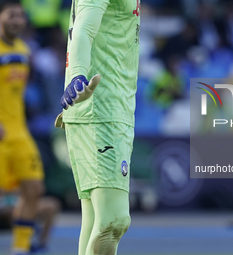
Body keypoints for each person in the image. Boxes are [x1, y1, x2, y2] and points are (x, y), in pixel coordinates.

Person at [54, 0, 140, 254]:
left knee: (94, 220)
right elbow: (84, 29)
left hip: (115, 108)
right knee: (113, 221)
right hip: (100, 109)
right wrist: (77, 75)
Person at [0, 0, 45, 254]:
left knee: (34, 189)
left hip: (19, 133)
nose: (17, 20)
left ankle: (20, 248)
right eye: (11, 15)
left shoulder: (24, 50)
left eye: (20, 15)